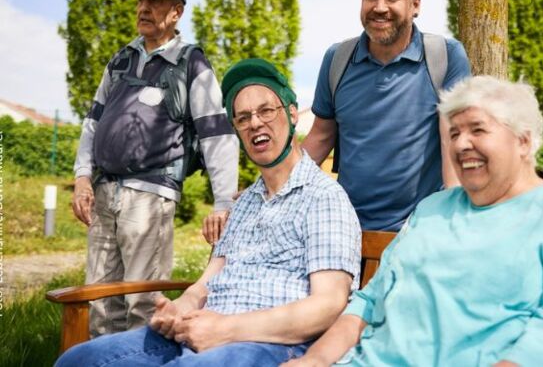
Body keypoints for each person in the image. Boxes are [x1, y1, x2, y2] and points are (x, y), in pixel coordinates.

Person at [286, 76, 543, 366]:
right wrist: (315, 359)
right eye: (454, 133)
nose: (461, 144)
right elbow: (369, 301)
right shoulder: (433, 209)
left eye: (477, 129)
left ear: (523, 141)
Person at [58, 58, 361, 367]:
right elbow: (205, 283)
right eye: (242, 118)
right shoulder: (243, 204)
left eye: (266, 110)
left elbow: (330, 304)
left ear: (293, 114)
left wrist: (226, 329)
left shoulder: (324, 197)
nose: (255, 122)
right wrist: (179, 308)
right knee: (80, 359)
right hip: (201, 331)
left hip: (268, 344)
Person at [71, 0, 239, 336]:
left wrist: (223, 202)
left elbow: (216, 133)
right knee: (99, 302)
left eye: (156, 1)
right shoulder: (120, 59)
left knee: (142, 304)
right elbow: (92, 121)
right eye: (142, 0)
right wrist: (83, 176)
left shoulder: (191, 62)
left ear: (176, 12)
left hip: (150, 195)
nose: (144, 8)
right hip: (104, 192)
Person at [302, 0, 471, 232]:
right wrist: (268, 187)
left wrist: (453, 218)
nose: (380, 7)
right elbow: (320, 137)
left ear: (415, 4)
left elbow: (453, 138)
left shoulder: (445, 57)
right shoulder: (337, 59)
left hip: (418, 231)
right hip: (345, 230)